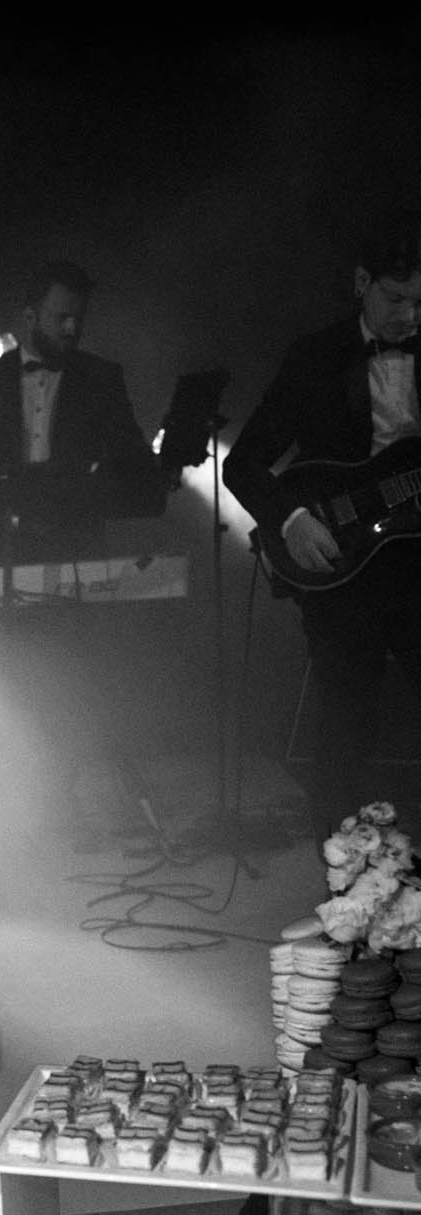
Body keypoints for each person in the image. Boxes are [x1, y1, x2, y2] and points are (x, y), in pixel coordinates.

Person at [223, 209, 421, 832]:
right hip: (342, 564)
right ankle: (343, 871)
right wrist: (291, 521)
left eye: (420, 302)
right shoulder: (315, 356)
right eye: (396, 299)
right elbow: (244, 463)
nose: (409, 316)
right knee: (345, 727)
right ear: (362, 283)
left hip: (417, 561)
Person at [0, 260, 152, 485]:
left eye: (78, 319)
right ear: (30, 317)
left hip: (74, 506)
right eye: (62, 318)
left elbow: (132, 457)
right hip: (0, 506)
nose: (72, 328)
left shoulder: (101, 378)